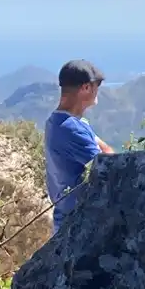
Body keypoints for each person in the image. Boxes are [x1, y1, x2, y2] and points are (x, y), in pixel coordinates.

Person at [45, 58, 115, 226]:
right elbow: (110, 166)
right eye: (97, 85)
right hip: (76, 223)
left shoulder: (60, 121)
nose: (98, 91)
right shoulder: (70, 128)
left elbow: (105, 151)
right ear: (86, 87)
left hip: (68, 218)